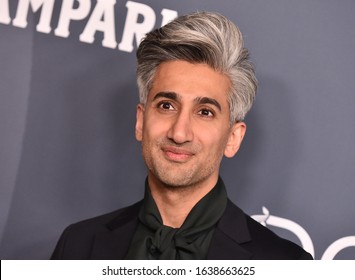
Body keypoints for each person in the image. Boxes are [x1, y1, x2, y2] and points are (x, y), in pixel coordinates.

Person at [51, 11, 312, 260]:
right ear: (141, 121)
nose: (179, 132)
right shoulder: (78, 245)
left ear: (233, 138)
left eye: (205, 112)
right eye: (166, 106)